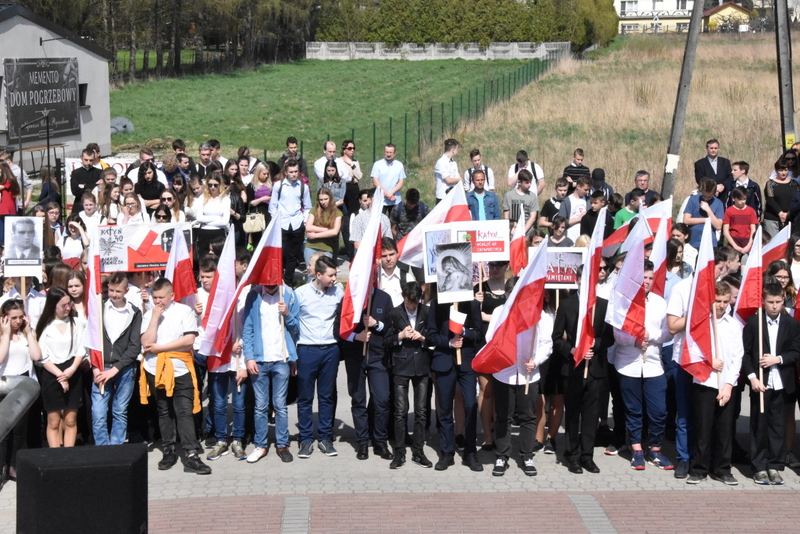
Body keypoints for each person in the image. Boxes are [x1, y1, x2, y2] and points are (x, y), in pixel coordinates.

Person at [139, 278, 210, 475]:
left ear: (172, 296)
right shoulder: (149, 314)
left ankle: (191, 454)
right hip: (156, 369)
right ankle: (168, 450)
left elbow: (189, 339)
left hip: (181, 368)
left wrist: (161, 348)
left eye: (162, 297)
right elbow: (146, 342)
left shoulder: (184, 311)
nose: (158, 301)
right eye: (155, 298)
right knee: (164, 410)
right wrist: (154, 318)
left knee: (184, 411)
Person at [489, 276, 553, 477]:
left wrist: (537, 360)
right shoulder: (500, 312)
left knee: (527, 417)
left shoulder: (538, 315)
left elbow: (546, 343)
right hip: (504, 374)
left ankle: (527, 456)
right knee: (503, 416)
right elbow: (490, 338)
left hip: (528, 374)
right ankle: (502, 456)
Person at [613, 260, 672, 471]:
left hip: (654, 364)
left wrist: (652, 336)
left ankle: (655, 448)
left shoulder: (659, 302)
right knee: (633, 410)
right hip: (628, 363)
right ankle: (636, 448)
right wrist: (634, 340)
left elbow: (667, 331)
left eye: (649, 278)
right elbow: (617, 332)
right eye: (643, 278)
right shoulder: (624, 301)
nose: (646, 282)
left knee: (658, 410)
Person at [555, 266, 614, 474]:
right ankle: (571, 454)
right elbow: (556, 338)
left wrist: (594, 345)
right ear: (577, 280)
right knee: (572, 415)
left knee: (591, 416)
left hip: (595, 369)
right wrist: (573, 350)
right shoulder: (566, 304)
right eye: (583, 279)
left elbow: (609, 337)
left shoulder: (604, 305)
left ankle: (587, 456)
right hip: (572, 369)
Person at [742, 282, 800, 485]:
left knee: (778, 426)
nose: (774, 306)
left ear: (783, 300)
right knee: (759, 424)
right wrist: (753, 377)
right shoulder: (754, 323)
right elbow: (746, 354)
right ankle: (758, 466)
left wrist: (778, 359)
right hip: (761, 383)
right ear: (763, 302)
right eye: (770, 302)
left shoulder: (791, 324)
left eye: (778, 302)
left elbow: (796, 352)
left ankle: (775, 465)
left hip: (782, 383)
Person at [687, 282, 742, 486]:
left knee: (725, 429)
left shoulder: (734, 324)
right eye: (718, 301)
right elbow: (691, 351)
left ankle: (722, 469)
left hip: (726, 384)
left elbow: (738, 357)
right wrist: (709, 361)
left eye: (725, 302)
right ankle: (699, 468)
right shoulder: (701, 323)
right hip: (704, 381)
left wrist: (729, 384)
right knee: (703, 428)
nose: (721, 305)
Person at [335, 271, 393, 461]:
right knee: (358, 400)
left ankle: (380, 441)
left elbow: (391, 329)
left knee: (382, 400)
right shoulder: (348, 300)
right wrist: (356, 337)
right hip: (355, 358)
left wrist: (377, 325)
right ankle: (362, 442)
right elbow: (339, 330)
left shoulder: (384, 298)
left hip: (378, 357)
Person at [428, 290, 485, 472]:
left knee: (470, 405)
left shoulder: (473, 304)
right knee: (445, 409)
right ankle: (447, 452)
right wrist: (448, 342)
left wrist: (465, 332)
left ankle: (470, 453)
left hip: (466, 363)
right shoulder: (437, 304)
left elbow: (478, 334)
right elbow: (430, 335)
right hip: (444, 361)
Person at [242, 281, 299, 464]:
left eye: (272, 284)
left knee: (280, 405)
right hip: (259, 359)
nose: (269, 287)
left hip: (281, 358)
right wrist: (249, 357)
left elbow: (296, 329)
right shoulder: (254, 296)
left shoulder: (289, 296)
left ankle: (283, 445)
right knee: (260, 405)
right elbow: (248, 328)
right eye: (266, 284)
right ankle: (260, 445)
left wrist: (287, 314)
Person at [294, 256, 343, 458]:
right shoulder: (300, 294)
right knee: (305, 398)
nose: (334, 278)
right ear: (318, 274)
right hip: (307, 349)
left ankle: (325, 437)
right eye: (331, 275)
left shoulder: (338, 292)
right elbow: (292, 323)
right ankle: (305, 440)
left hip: (330, 350)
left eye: (335, 274)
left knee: (327, 397)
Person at [384, 282, 431, 468]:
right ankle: (399, 451)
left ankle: (418, 451)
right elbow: (386, 341)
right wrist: (400, 336)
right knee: (400, 411)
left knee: (421, 411)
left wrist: (423, 337)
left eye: (415, 302)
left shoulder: (426, 312)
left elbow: (433, 336)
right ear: (403, 297)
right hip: (401, 366)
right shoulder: (395, 313)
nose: (412, 305)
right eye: (409, 302)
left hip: (421, 366)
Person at [91, 272, 142, 446]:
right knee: (98, 412)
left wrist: (115, 369)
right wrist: (96, 367)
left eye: (118, 291)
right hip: (101, 366)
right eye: (111, 290)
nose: (113, 294)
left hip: (125, 369)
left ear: (126, 291)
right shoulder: (100, 307)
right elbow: (92, 340)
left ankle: (117, 448)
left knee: (119, 410)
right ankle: (102, 449)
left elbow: (134, 347)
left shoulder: (134, 313)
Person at [36, 287, 86, 448]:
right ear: (53, 305)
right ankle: (55, 454)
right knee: (54, 420)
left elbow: (81, 348)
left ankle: (69, 454)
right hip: (52, 373)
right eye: (63, 305)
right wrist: (60, 375)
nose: (67, 308)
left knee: (71, 418)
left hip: (72, 370)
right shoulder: (46, 325)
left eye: (69, 304)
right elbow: (42, 356)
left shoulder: (76, 322)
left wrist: (71, 370)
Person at [0, 299, 41, 481]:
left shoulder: (25, 335)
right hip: (4, 386)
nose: (17, 321)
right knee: (4, 431)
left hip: (22, 385)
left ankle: (13, 466)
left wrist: (29, 332)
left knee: (18, 431)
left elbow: (36, 355)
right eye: (13, 318)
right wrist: (6, 334)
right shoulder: (3, 336)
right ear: (4, 318)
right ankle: (1, 466)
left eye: (20, 317)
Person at [269, 160, 312, 286]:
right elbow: (273, 206)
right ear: (286, 172)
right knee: (281, 253)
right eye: (291, 172)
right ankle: (278, 279)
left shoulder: (303, 186)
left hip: (297, 223)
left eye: (296, 172)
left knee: (293, 255)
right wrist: (275, 220)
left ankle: (288, 282)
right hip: (282, 223)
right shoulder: (279, 185)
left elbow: (308, 206)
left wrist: (304, 220)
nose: (294, 174)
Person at [195, 173, 231, 266]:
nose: (213, 187)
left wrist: (206, 220)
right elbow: (199, 217)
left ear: (220, 185)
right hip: (204, 232)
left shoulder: (225, 199)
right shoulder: (202, 197)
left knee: (218, 260)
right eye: (210, 185)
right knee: (203, 260)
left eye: (215, 185)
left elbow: (225, 221)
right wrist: (217, 218)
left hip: (218, 233)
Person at [304, 187, 342, 269]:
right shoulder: (314, 210)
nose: (323, 202)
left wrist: (315, 235)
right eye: (321, 200)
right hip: (311, 246)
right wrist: (326, 230)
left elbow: (334, 232)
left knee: (325, 274)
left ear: (330, 198)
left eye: (326, 199)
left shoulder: (337, 213)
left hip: (327, 248)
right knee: (312, 274)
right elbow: (308, 227)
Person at [683, 177, 724, 249]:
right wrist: (706, 220)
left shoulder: (718, 203)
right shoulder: (693, 199)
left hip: (710, 243)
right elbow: (686, 220)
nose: (706, 199)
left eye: (709, 197)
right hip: (693, 241)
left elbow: (718, 226)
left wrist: (708, 210)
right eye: (704, 196)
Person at [764, 158, 800, 238]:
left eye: (785, 170)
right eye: (781, 170)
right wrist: (780, 213)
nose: (783, 173)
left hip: (790, 217)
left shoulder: (794, 184)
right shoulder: (770, 184)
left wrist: (788, 214)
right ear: (776, 170)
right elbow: (770, 200)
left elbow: (797, 200)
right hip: (773, 218)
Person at [379, 237, 415, 307]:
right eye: (384, 256)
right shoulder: (374, 278)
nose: (388, 259)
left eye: (391, 254)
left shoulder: (407, 278)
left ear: (397, 254)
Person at [371, 143, 406, 215]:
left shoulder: (399, 165)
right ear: (384, 152)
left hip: (395, 199)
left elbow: (401, 182)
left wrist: (391, 193)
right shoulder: (377, 164)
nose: (388, 154)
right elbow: (375, 182)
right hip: (381, 200)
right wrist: (387, 194)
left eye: (390, 152)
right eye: (387, 152)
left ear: (395, 153)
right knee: (380, 222)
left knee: (395, 223)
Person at [723, 187, 758, 255]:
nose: (743, 201)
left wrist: (749, 245)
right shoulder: (729, 211)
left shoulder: (751, 211)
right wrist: (735, 246)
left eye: (744, 199)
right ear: (733, 198)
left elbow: (753, 230)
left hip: (747, 241)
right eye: (740, 199)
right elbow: (725, 231)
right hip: (734, 241)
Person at [245, 162, 273, 248]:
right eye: (264, 174)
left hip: (268, 213)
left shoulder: (270, 184)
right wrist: (262, 199)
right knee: (257, 238)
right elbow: (250, 203)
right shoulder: (251, 186)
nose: (266, 176)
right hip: (256, 214)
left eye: (267, 174)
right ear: (258, 173)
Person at [503, 169, 538, 235]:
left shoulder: (532, 196)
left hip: (527, 232)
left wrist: (523, 231)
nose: (529, 185)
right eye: (527, 182)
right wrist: (510, 230)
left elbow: (533, 217)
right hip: (512, 231)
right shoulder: (509, 195)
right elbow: (506, 216)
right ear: (519, 182)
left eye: (530, 182)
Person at [558, 175, 591, 242]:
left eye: (588, 190)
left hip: (585, 238)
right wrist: (579, 219)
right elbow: (561, 222)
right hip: (570, 237)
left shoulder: (588, 201)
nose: (587, 192)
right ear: (578, 186)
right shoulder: (566, 201)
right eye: (585, 189)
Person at [69, 149, 102, 215]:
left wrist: (83, 186)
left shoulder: (100, 172)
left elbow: (100, 190)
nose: (88, 162)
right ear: (81, 158)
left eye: (91, 160)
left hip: (94, 207)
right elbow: (75, 191)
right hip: (79, 206)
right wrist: (94, 185)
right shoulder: (76, 173)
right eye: (86, 160)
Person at [434, 139, 460, 203]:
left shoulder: (454, 162)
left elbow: (456, 177)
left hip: (453, 196)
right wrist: (459, 179)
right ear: (453, 150)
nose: (457, 151)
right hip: (443, 197)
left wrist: (458, 179)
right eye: (457, 149)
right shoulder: (441, 162)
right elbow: (448, 180)